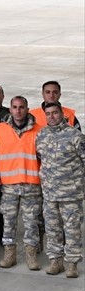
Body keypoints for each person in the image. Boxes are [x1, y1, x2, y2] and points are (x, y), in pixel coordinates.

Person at [35, 102, 84, 278]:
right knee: (53, 228)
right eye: (48, 114)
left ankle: (72, 264)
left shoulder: (75, 135)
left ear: (62, 113)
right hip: (49, 193)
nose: (51, 116)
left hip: (71, 193)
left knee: (72, 230)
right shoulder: (41, 135)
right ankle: (56, 261)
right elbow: (40, 159)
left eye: (55, 113)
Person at [0, 96, 43, 270]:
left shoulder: (39, 130)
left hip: (31, 185)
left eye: (21, 107)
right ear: (10, 109)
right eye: (14, 107)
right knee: (8, 222)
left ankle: (31, 254)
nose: (18, 110)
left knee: (31, 222)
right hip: (9, 185)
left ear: (27, 109)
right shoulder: (0, 129)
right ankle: (9, 254)